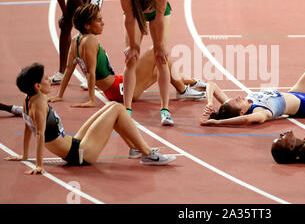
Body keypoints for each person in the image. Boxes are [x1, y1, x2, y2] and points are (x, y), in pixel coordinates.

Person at [4, 63, 176, 175]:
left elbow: (28, 126)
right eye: (46, 79)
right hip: (80, 155)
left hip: (76, 143)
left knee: (111, 107)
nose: (50, 81)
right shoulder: (40, 104)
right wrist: (39, 165)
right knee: (117, 107)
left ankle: (136, 149)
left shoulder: (28, 99)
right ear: (38, 86)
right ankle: (147, 154)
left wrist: (25, 155)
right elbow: (39, 134)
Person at [49, 4, 205, 108]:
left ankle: (192, 82)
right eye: (98, 20)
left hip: (115, 86)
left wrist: (59, 95)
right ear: (87, 25)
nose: (103, 23)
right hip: (119, 89)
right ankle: (183, 91)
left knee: (158, 70)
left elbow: (69, 69)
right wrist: (91, 100)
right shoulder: (90, 40)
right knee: (157, 51)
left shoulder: (76, 40)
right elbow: (90, 72)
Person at [119, 0, 173, 125]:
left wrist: (160, 47)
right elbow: (129, 19)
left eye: (148, 9)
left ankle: (165, 110)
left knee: (161, 59)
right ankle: (127, 110)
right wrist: (133, 47)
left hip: (159, 15)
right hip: (133, 14)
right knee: (131, 59)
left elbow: (159, 20)